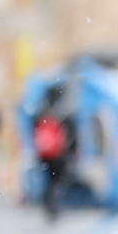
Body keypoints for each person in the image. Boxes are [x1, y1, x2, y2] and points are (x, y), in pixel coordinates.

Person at [33, 86, 78, 222]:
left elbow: (35, 131)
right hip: (60, 155)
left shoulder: (42, 113)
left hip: (45, 155)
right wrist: (72, 151)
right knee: (56, 181)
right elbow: (72, 137)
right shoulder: (65, 114)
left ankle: (49, 204)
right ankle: (54, 206)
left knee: (48, 180)